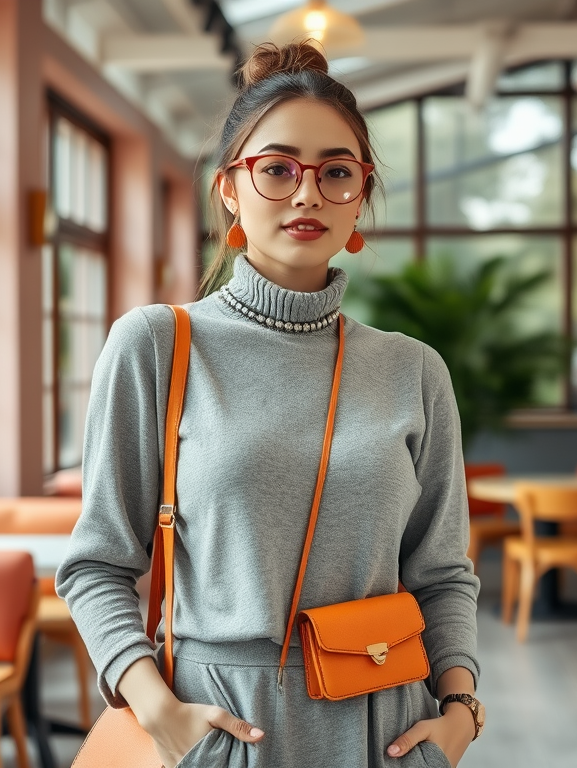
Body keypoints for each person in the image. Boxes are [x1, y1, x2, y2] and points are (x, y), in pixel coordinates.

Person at [55, 41, 482, 768]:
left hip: (389, 731)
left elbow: (441, 573)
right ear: (230, 187)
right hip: (224, 730)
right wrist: (157, 710)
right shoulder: (158, 344)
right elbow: (96, 563)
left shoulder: (413, 370)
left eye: (336, 173)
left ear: (361, 194)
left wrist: (462, 714)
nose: (307, 194)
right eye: (277, 168)